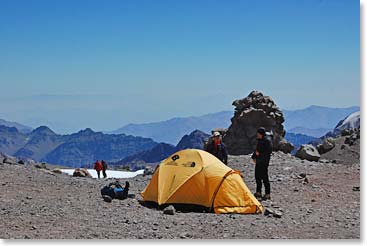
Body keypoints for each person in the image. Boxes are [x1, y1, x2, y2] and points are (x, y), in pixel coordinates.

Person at [251, 127, 273, 201]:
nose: (257, 135)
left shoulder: (267, 141)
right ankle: (258, 192)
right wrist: (254, 157)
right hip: (259, 162)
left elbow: (266, 153)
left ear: (261, 134)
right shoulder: (260, 140)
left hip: (263, 163)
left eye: (258, 133)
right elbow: (257, 150)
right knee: (257, 177)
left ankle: (267, 194)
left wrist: (258, 156)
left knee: (264, 177)